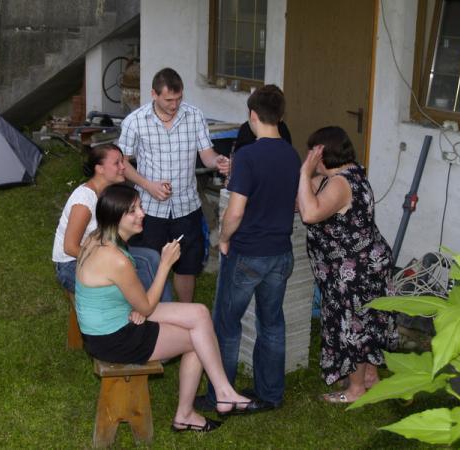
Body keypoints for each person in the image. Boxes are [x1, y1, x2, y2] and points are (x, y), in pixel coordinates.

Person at [75, 184, 268, 432]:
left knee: (199, 313)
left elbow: (118, 294)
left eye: (140, 206)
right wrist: (165, 265)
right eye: (132, 211)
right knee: (197, 340)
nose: (142, 213)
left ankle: (223, 392)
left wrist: (137, 307)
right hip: (113, 338)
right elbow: (146, 306)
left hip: (111, 320)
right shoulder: (116, 258)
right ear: (115, 217)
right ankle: (188, 413)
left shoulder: (98, 238)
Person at [195, 85, 301, 412]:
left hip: (248, 252)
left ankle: (221, 395)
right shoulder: (292, 155)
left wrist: (224, 238)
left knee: (227, 324)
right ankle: (270, 394)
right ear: (280, 116)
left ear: (252, 115)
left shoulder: (248, 156)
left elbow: (235, 211)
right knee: (272, 323)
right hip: (280, 252)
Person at [296, 126, 397, 403]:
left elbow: (309, 213)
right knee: (368, 322)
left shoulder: (340, 184)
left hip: (354, 271)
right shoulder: (350, 173)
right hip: (368, 263)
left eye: (312, 153)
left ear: (322, 155)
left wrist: (304, 173)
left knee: (354, 327)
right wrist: (306, 180)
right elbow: (306, 195)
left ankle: (355, 390)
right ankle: (369, 377)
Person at [118, 67, 230, 303]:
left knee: (187, 266)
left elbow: (207, 155)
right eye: (169, 100)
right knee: (149, 265)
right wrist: (148, 185)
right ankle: (149, 312)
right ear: (154, 94)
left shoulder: (194, 116)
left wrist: (217, 161)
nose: (174, 104)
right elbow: (122, 163)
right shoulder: (134, 121)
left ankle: (184, 312)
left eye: (178, 98)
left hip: (186, 207)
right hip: (149, 209)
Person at [51, 143, 171, 300]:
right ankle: (148, 308)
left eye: (122, 162)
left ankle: (163, 309)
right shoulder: (84, 202)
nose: (123, 167)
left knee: (152, 257)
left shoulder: (109, 193)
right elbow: (70, 248)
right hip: (71, 264)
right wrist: (110, 261)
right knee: (134, 282)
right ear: (100, 169)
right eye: (117, 163)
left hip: (103, 252)